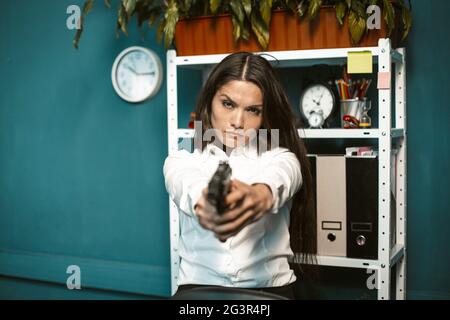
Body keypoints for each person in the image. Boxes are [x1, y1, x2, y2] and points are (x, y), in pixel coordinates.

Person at [163, 52, 316, 300]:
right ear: (209, 102)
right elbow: (188, 186)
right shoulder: (181, 160)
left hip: (270, 293)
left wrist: (258, 196)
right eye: (228, 104)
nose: (237, 121)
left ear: (264, 115)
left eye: (253, 110)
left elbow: (279, 180)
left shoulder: (282, 157)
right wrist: (207, 205)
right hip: (199, 293)